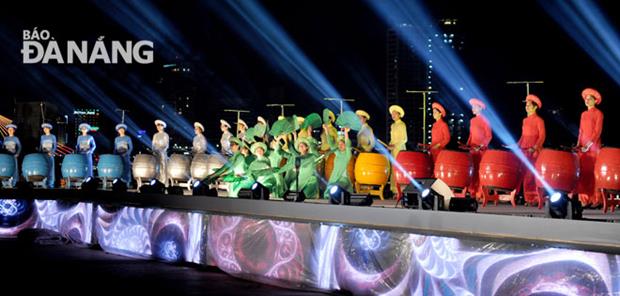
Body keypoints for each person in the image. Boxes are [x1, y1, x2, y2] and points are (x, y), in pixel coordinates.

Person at [576, 88, 604, 206]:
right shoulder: (583, 114)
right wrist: (578, 144)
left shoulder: (599, 113)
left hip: (593, 148)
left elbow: (597, 132)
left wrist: (588, 146)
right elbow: (581, 131)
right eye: (586, 99)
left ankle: (596, 199)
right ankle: (584, 199)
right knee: (583, 173)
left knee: (593, 173)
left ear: (595, 100)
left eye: (589, 99)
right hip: (583, 148)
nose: (587, 101)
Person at [516, 94, 546, 204]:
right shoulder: (525, 120)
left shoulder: (539, 120)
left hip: (534, 151)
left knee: (532, 174)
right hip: (524, 150)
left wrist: (535, 147)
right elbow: (523, 136)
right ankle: (527, 198)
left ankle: (535, 198)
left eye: (529, 105)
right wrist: (517, 145)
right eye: (526, 105)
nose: (527, 107)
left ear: (535, 107)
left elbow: (542, 136)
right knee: (523, 173)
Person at [466, 98, 492, 199]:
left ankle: (480, 193)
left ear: (480, 108)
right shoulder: (472, 120)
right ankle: (472, 191)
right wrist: (467, 144)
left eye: (474, 107)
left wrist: (481, 146)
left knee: (480, 170)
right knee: (472, 170)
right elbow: (471, 135)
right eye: (472, 107)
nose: (472, 108)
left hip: (481, 150)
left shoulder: (485, 120)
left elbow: (489, 136)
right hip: (473, 149)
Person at [323, 125, 353, 199]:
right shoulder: (337, 153)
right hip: (335, 177)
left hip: (344, 179)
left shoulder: (347, 154)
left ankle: (337, 196)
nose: (340, 145)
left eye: (342, 144)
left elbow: (348, 145)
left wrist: (346, 132)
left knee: (337, 186)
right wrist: (326, 130)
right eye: (339, 144)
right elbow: (331, 143)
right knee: (330, 189)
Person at [388, 105, 407, 195]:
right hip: (393, 150)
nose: (393, 115)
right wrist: (390, 144)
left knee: (399, 169)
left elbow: (404, 139)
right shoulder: (392, 125)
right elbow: (392, 139)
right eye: (392, 114)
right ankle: (394, 190)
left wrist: (395, 145)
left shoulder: (402, 124)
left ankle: (400, 190)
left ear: (399, 115)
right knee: (393, 169)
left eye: (395, 114)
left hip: (399, 150)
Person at [40, 123, 57, 188]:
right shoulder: (42, 137)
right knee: (44, 169)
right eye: (44, 129)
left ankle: (51, 184)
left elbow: (55, 146)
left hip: (50, 155)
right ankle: (44, 183)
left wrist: (52, 152)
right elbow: (41, 146)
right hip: (43, 155)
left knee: (51, 169)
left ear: (49, 129)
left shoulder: (53, 136)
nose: (45, 130)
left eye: (46, 128)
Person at [152, 119, 169, 185]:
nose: (158, 127)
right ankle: (156, 182)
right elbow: (153, 144)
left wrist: (161, 150)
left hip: (162, 154)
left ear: (163, 126)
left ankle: (163, 183)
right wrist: (154, 150)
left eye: (160, 125)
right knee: (156, 168)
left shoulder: (165, 135)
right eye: (157, 126)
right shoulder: (155, 135)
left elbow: (166, 145)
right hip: (156, 154)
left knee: (163, 168)